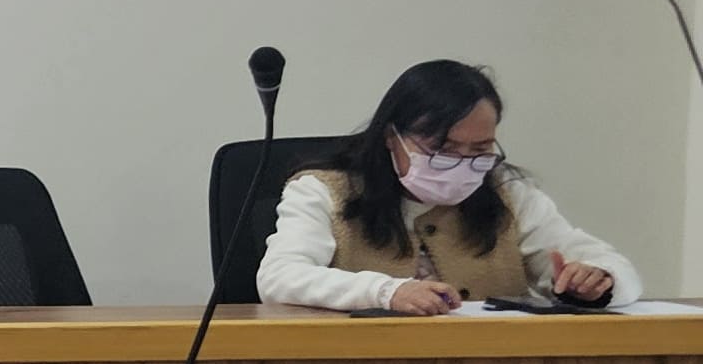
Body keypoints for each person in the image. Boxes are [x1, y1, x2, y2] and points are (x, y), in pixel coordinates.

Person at [253, 58, 635, 315]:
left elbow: (608, 265)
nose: (463, 163)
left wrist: (599, 279)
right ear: (391, 138)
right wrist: (386, 292)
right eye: (443, 149)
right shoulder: (323, 191)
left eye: (480, 150)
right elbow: (279, 277)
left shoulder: (509, 193)